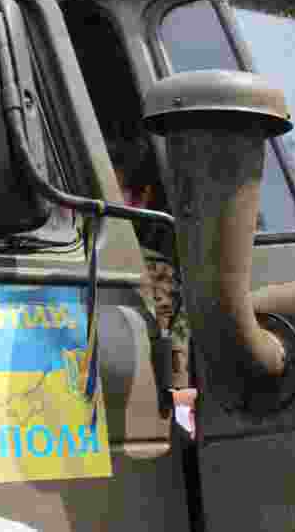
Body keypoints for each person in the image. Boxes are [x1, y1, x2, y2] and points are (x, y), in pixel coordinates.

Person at [107, 136, 196, 436]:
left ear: (142, 199)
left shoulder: (157, 273)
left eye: (114, 197)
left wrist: (182, 421)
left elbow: (177, 361)